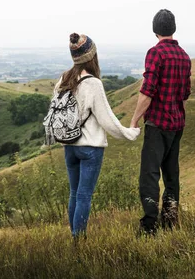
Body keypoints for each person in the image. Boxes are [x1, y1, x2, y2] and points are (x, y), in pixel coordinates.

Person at [56, 33, 140, 238]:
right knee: (84, 195)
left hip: (69, 146)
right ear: (92, 56)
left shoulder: (63, 79)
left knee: (74, 193)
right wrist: (130, 133)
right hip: (90, 148)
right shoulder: (93, 84)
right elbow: (107, 120)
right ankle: (78, 241)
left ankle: (74, 237)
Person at [130, 9, 192, 235]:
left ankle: (149, 226)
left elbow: (147, 92)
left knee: (149, 174)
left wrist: (135, 119)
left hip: (157, 124)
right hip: (177, 125)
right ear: (173, 28)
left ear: (155, 30)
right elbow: (185, 93)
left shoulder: (155, 53)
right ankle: (170, 219)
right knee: (171, 173)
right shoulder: (184, 56)